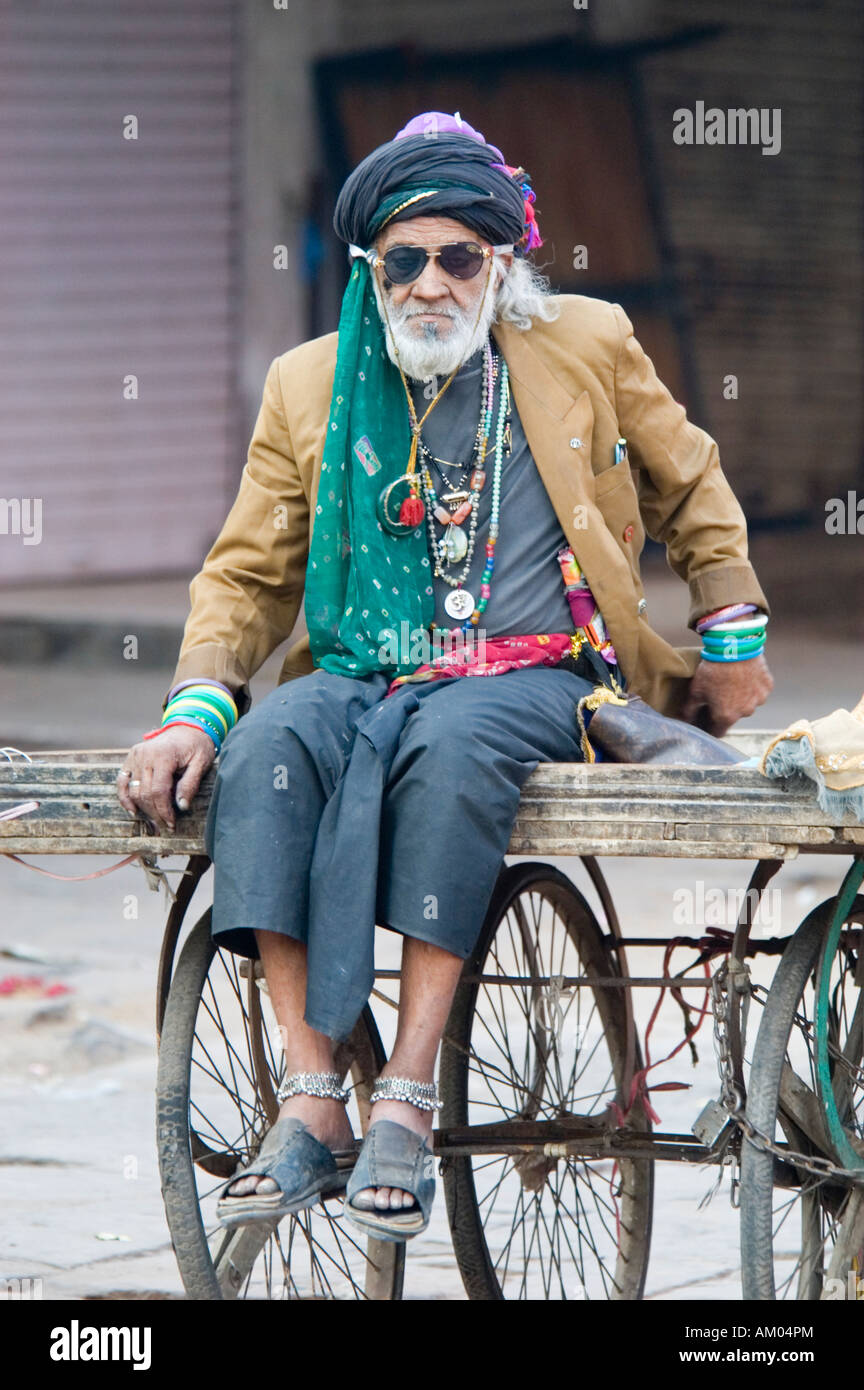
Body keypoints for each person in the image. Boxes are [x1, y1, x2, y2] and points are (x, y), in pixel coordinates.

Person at [116, 111, 773, 1242]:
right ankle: (314, 1092)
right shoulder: (306, 381)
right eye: (403, 260)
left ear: (500, 262)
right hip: (364, 670)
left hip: (536, 671)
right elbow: (245, 574)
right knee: (267, 745)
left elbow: (691, 481)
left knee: (453, 744)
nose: (429, 284)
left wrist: (728, 638)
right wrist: (190, 709)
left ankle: (409, 1094)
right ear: (371, 269)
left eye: (457, 258)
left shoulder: (586, 343)